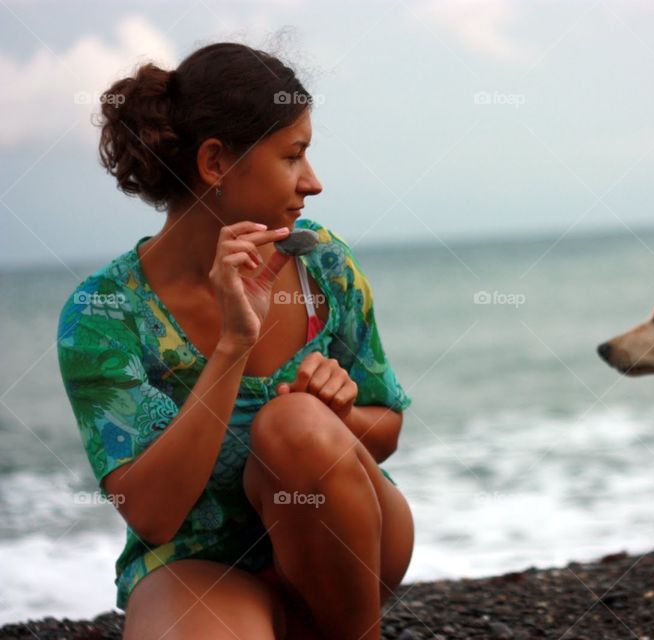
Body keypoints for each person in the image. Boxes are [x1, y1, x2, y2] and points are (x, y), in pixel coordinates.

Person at [56, 42, 413, 640]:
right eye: (293, 156)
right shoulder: (104, 312)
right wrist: (233, 345)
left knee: (294, 425)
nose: (314, 182)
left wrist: (335, 418)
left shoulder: (322, 264)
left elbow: (388, 432)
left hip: (348, 549)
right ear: (216, 162)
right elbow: (153, 516)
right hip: (199, 564)